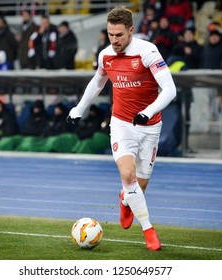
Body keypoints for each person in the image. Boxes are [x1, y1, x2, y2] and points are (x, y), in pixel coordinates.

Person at [67, 6, 176, 250]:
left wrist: (148, 111)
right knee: (128, 176)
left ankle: (126, 201)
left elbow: (170, 89)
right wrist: (79, 109)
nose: (114, 40)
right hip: (122, 123)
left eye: (119, 35)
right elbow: (98, 81)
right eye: (110, 35)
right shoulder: (106, 55)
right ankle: (149, 231)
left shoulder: (148, 52)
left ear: (130, 31)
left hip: (150, 126)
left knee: (140, 186)